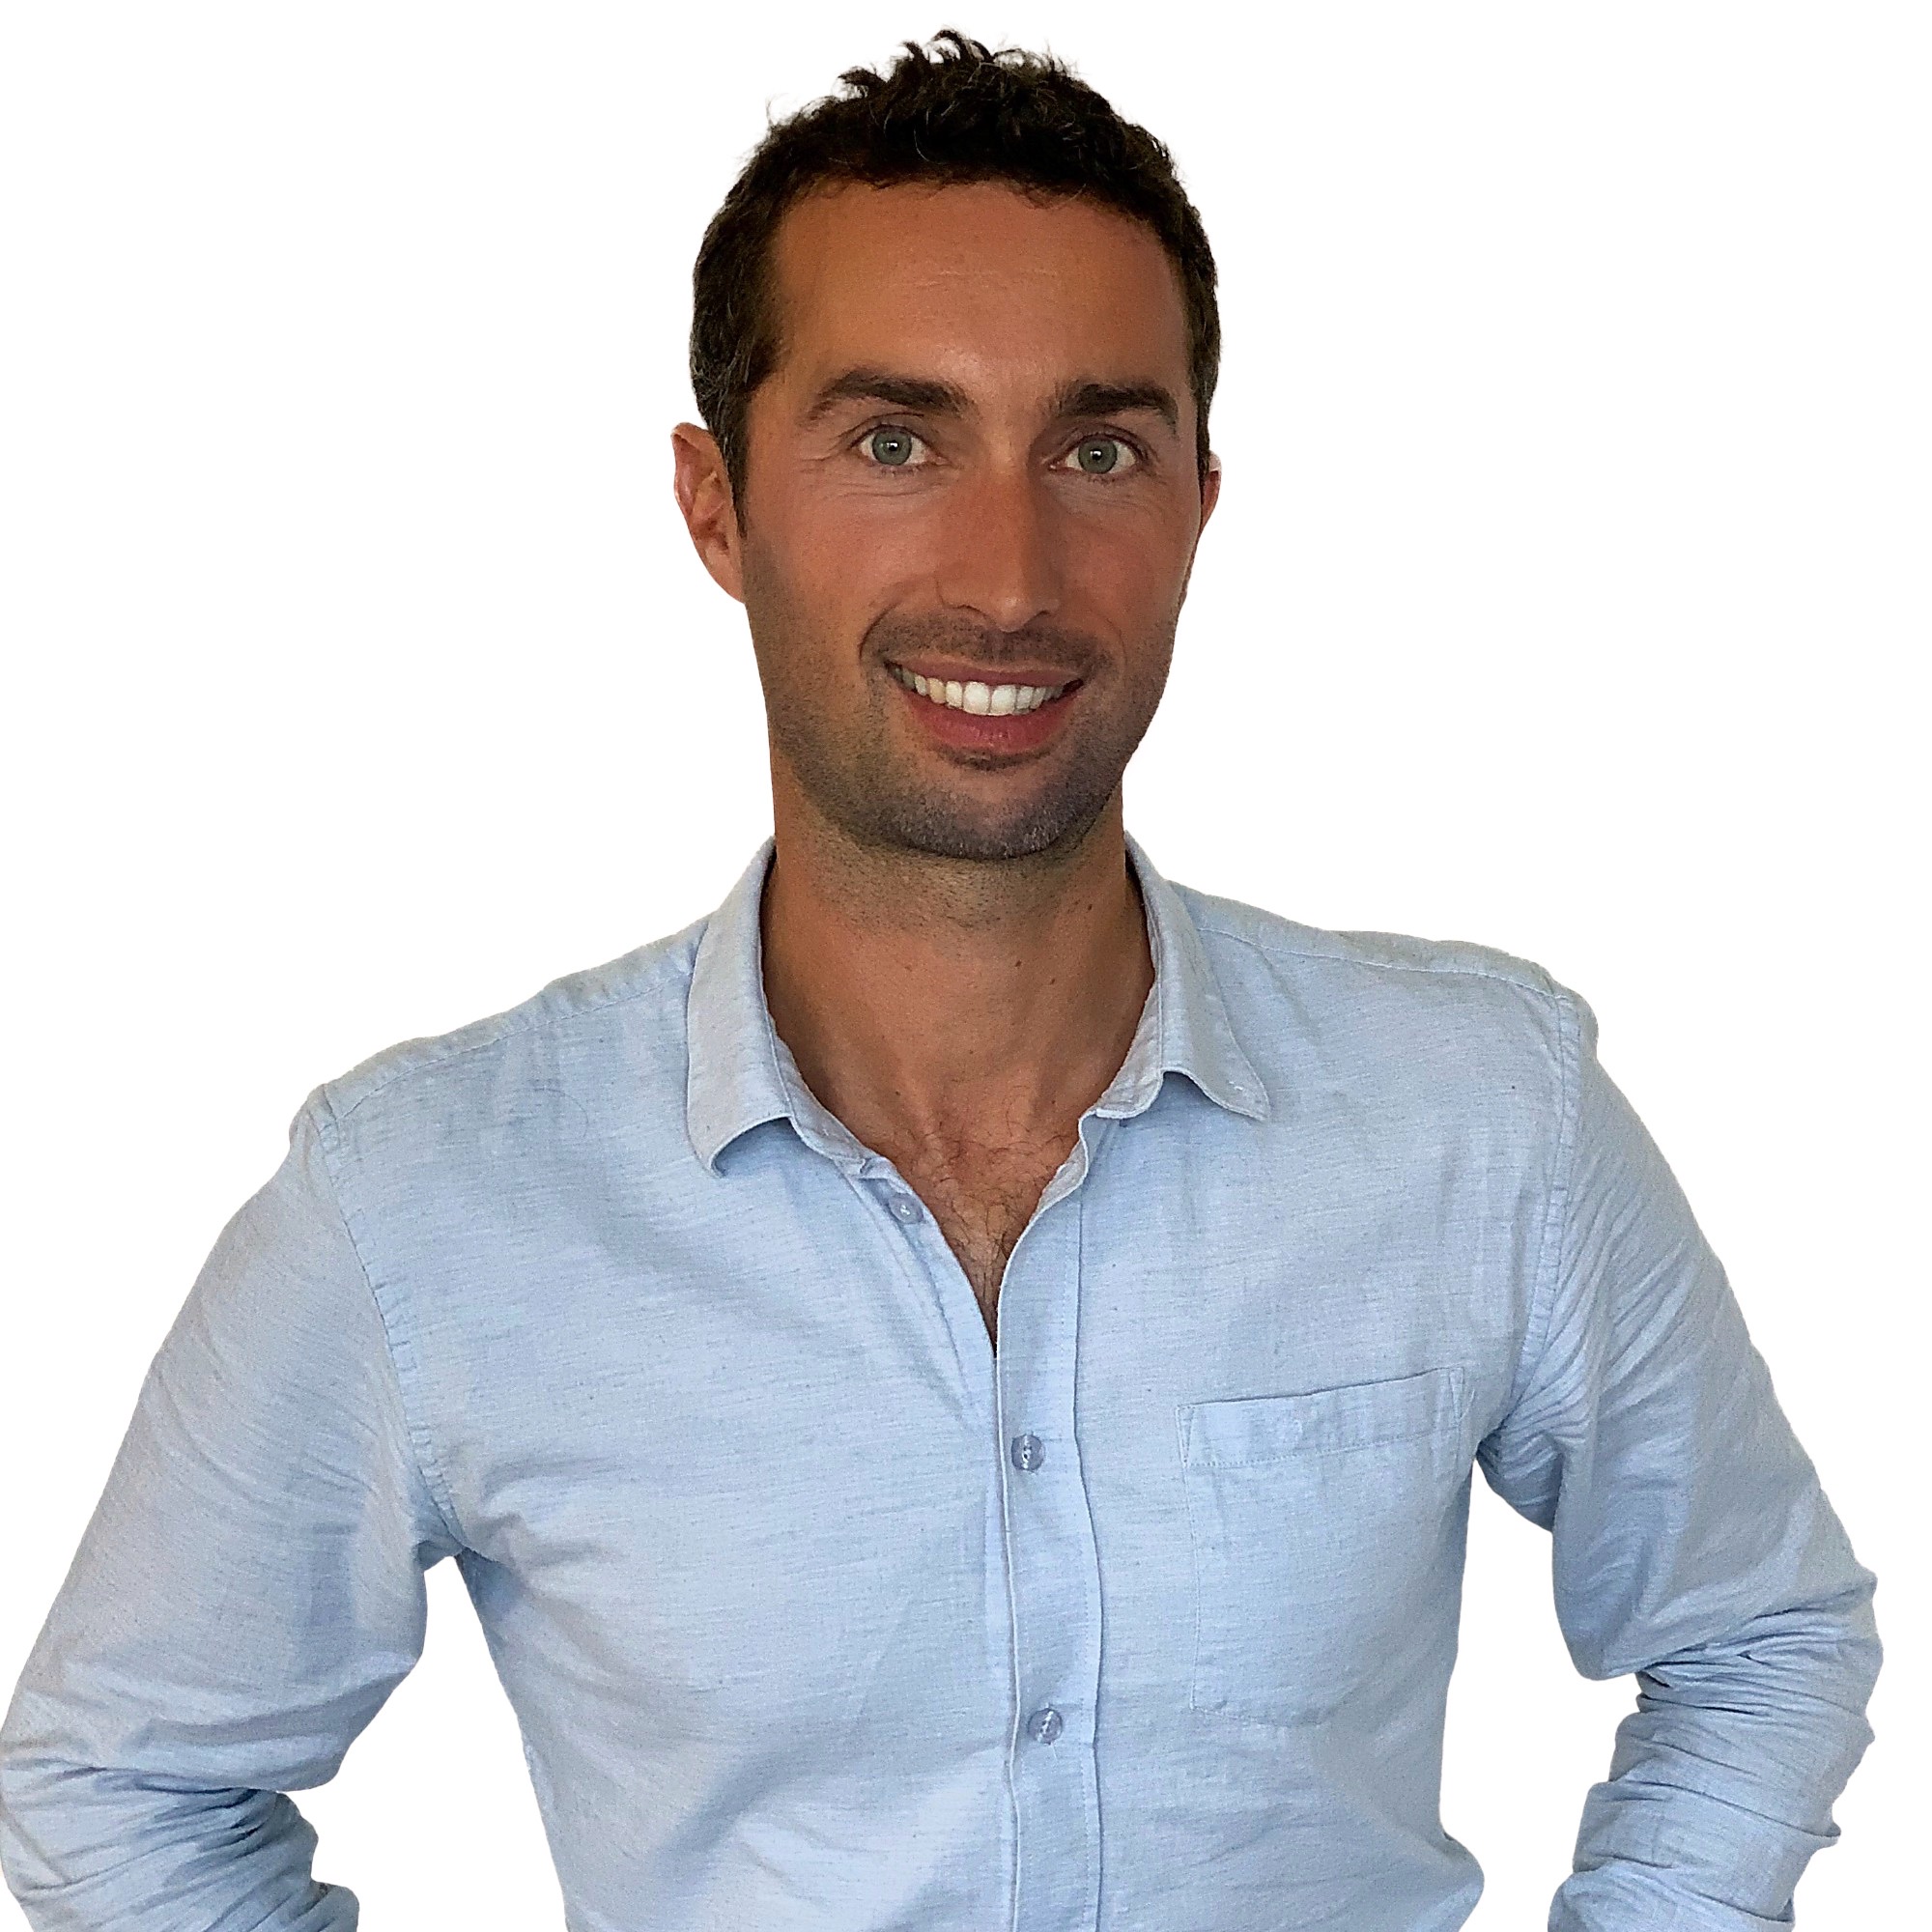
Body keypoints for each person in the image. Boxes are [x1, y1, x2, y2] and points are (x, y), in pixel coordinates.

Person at [0, 29, 1880, 1932]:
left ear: (1197, 506)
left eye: (1098, 446)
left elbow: (1758, 1632)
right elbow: (116, 1787)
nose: (1008, 567)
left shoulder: (1486, 1113)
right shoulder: (423, 1203)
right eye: (894, 440)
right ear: (717, 505)